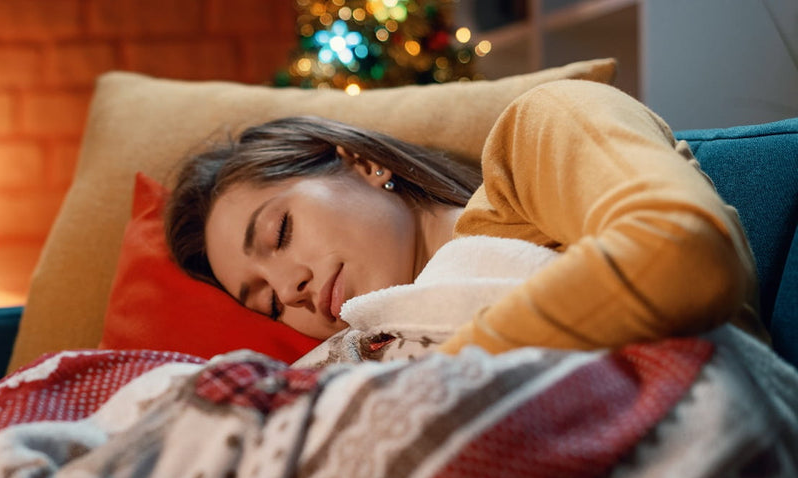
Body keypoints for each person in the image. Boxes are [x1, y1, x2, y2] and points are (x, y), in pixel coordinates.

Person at [165, 79, 767, 356]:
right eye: (265, 302)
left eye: (281, 233)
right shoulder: (355, 354)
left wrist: (436, 379)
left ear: (364, 163)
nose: (289, 290)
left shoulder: (540, 132)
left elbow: (684, 255)